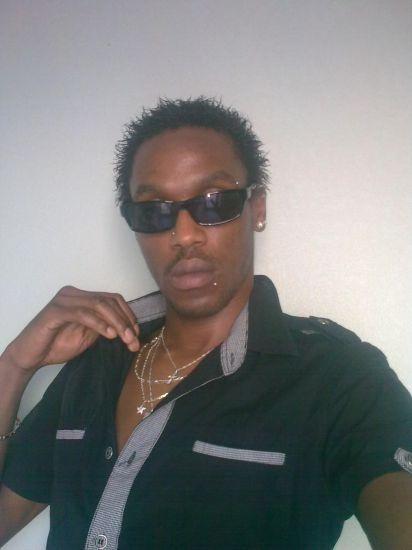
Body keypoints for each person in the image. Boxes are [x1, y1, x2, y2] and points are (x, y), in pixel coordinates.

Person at [0, 98, 411, 550]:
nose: (185, 234)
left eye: (214, 202)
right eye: (154, 210)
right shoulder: (96, 359)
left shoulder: (339, 377)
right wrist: (14, 365)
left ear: (257, 207)